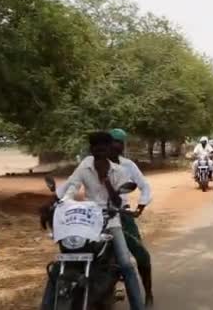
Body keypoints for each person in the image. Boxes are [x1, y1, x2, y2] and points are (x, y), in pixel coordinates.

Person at [52, 132, 145, 310]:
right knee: (59, 265)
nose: (100, 151)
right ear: (91, 149)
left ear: (110, 149)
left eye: (104, 147)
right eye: (96, 147)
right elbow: (71, 188)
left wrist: (106, 180)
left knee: (126, 264)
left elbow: (119, 201)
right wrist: (62, 203)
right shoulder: (84, 167)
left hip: (111, 221)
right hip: (86, 221)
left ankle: (138, 306)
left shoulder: (118, 171)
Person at [108, 129, 154, 306]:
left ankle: (148, 293)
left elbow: (145, 187)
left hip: (121, 214)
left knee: (141, 255)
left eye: (119, 142)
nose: (114, 145)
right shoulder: (92, 164)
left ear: (123, 146)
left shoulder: (128, 166)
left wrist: (140, 207)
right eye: (111, 141)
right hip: (95, 215)